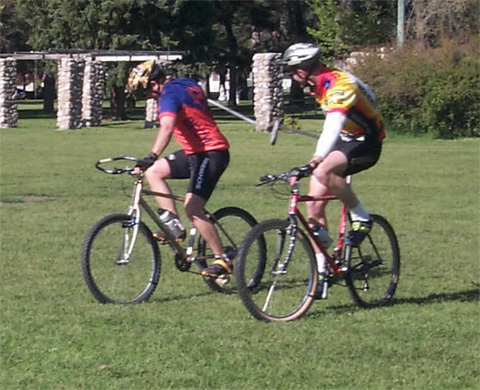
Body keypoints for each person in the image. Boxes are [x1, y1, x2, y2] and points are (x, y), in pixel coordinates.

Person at [282, 43, 385, 296]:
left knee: (324, 172)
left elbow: (333, 125)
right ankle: (322, 272)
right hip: (347, 139)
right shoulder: (323, 85)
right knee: (313, 205)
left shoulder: (339, 85)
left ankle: (361, 217)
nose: (294, 78)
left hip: (367, 142)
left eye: (294, 71)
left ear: (304, 70)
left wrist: (318, 158)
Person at [129, 61, 233, 278]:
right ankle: (174, 226)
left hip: (211, 153)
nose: (148, 96)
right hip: (193, 152)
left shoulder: (168, 96)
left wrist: (152, 156)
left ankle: (222, 259)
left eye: (147, 91)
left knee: (193, 208)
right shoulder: (183, 84)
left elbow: (167, 127)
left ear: (156, 83)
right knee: (154, 172)